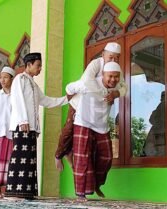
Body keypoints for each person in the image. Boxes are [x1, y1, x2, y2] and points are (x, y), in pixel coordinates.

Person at [54, 42, 127, 171]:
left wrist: (116, 93)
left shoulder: (116, 69)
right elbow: (87, 81)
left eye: (117, 57)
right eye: (110, 57)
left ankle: (77, 162)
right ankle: (58, 155)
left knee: (92, 141)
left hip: (97, 111)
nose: (114, 60)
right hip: (79, 103)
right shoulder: (95, 64)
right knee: (68, 130)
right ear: (103, 54)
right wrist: (106, 94)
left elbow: (125, 88)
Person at [4, 53, 68, 200]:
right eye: (38, 65)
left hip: (31, 128)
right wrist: (23, 120)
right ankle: (15, 192)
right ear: (29, 65)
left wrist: (67, 99)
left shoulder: (33, 84)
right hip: (22, 126)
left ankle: (27, 192)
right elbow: (17, 99)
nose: (40, 68)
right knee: (20, 158)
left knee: (29, 159)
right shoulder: (20, 79)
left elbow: (46, 101)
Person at [66, 61, 121, 201]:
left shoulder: (117, 86)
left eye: (116, 77)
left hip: (101, 125)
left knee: (107, 157)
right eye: (110, 76)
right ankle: (80, 193)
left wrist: (115, 94)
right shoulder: (88, 83)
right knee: (82, 158)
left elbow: (123, 90)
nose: (113, 80)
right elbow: (69, 87)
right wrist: (72, 102)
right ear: (102, 74)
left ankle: (96, 184)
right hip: (83, 122)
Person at [0, 67, 15, 199]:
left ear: (12, 79)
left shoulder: (16, 96)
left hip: (11, 133)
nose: (2, 80)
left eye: (5, 77)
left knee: (9, 162)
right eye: (1, 77)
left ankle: (6, 189)